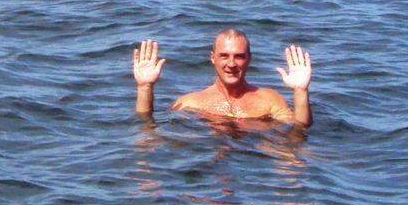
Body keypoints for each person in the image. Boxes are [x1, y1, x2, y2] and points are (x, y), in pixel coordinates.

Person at [132, 30, 312, 126]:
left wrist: (300, 91)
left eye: (239, 56)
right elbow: (147, 125)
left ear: (249, 59)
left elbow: (299, 129)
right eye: (224, 56)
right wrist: (144, 87)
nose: (231, 64)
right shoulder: (191, 103)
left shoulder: (269, 100)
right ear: (213, 58)